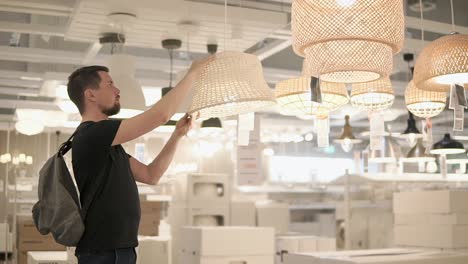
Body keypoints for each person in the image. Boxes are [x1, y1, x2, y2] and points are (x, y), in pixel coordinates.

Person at [66, 57, 211, 264]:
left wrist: (177, 135)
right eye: (110, 84)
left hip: (119, 249)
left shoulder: (108, 144)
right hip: (102, 252)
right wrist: (193, 74)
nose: (117, 90)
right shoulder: (92, 134)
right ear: (90, 94)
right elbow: (161, 115)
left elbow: (151, 175)